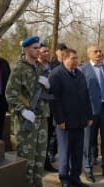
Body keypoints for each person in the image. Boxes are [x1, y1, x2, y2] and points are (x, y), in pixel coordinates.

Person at [5, 35, 50, 187]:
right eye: (35, 48)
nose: (38, 51)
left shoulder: (41, 68)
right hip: (27, 120)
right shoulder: (19, 68)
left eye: (39, 48)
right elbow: (10, 94)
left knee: (39, 159)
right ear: (25, 49)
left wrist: (48, 86)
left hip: (42, 117)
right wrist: (22, 110)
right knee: (27, 160)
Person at [49, 48, 93, 187]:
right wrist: (59, 120)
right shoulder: (56, 74)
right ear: (64, 59)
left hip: (80, 121)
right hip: (65, 122)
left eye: (76, 58)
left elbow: (86, 96)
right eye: (72, 58)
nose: (75, 61)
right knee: (65, 152)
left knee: (77, 152)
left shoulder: (79, 74)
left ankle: (75, 178)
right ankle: (64, 179)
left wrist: (89, 115)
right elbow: (54, 100)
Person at [80, 45, 104, 182]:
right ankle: (87, 168)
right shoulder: (83, 70)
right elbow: (80, 93)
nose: (99, 54)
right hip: (89, 111)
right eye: (95, 52)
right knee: (88, 140)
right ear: (89, 54)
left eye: (100, 51)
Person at [38, 42, 58, 173]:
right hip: (39, 106)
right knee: (39, 136)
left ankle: (46, 162)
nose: (47, 53)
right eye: (44, 51)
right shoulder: (35, 66)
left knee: (49, 134)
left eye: (47, 51)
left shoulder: (51, 66)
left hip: (51, 106)